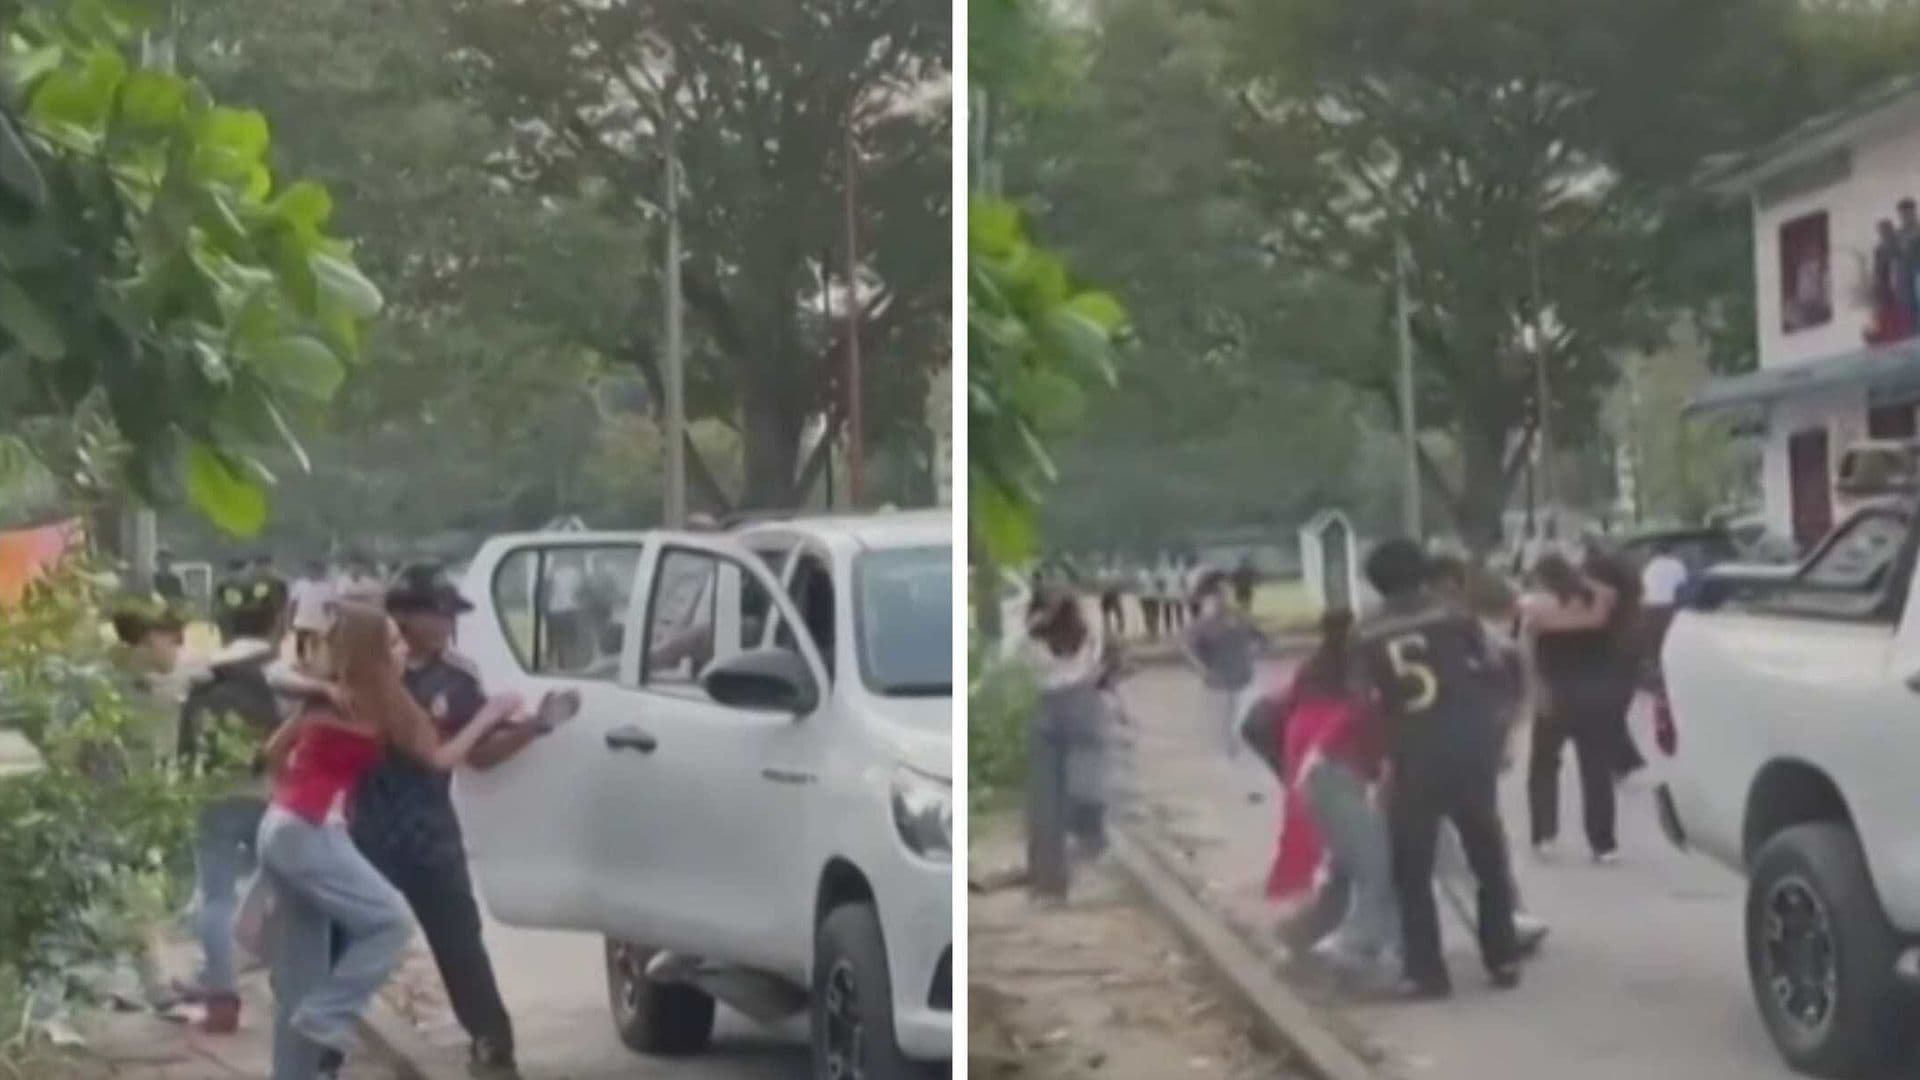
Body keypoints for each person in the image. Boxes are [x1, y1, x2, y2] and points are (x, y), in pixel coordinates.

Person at [256, 603, 525, 1080]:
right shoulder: (384, 699)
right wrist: (492, 714)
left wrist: (305, 788)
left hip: (282, 823)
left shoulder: (332, 693)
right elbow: (441, 758)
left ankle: (300, 1064)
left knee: (303, 973)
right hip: (314, 828)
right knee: (389, 925)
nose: (404, 650)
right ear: (376, 652)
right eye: (395, 642)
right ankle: (328, 1018)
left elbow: (273, 752)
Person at [344, 567, 553, 1077]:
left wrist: (532, 730)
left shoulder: (457, 680)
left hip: (429, 829)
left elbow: (478, 756)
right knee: (346, 936)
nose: (445, 625)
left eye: (449, 615)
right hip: (367, 824)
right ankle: (324, 1037)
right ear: (402, 617)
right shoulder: (363, 672)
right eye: (436, 613)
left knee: (458, 937)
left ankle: (490, 1040)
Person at [1354, 539, 1521, 999]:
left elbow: (1367, 704)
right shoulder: (1456, 617)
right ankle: (1502, 954)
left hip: (1413, 752)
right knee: (1487, 854)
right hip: (1468, 746)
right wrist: (1497, 729)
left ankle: (1427, 971)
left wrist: (1378, 765)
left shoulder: (1366, 633)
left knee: (1413, 869)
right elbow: (1495, 666)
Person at [175, 572, 332, 1034]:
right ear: (280, 620)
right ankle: (293, 985)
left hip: (215, 795)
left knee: (216, 896)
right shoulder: (283, 676)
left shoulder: (202, 673)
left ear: (221, 619)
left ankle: (221, 994)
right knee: (289, 893)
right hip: (276, 797)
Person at [1524, 553, 1623, 863]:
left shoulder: (1538, 612)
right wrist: (1582, 579)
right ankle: (1603, 843)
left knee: (1543, 766)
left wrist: (1535, 692)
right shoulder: (1599, 605)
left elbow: (1527, 657)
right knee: (1596, 771)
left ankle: (1544, 835)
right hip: (1595, 696)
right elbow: (1612, 594)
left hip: (1555, 695)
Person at [1022, 586, 1111, 902]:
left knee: (1046, 799)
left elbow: (1024, 662)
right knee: (1086, 788)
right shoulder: (1088, 632)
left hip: (1049, 706)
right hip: (1084, 705)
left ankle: (1050, 882)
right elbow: (1098, 663)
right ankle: (1090, 850)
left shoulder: (1032, 638)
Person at [1183, 572, 1267, 758]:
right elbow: (1190, 652)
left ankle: (1239, 753)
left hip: (1243, 678)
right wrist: (1202, 670)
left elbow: (1262, 638)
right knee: (1221, 725)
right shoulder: (1200, 626)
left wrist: (1257, 651)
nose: (1220, 598)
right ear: (1204, 599)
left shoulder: (1238, 618)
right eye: (1214, 595)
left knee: (1244, 721)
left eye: (1222, 593)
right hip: (1217, 683)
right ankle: (1226, 755)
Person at [290, 561, 337, 663]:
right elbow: (294, 601)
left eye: (316, 571)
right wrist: (291, 616)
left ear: (321, 572)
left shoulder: (327, 586)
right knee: (300, 639)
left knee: (315, 641)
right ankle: (301, 659)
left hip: (318, 619)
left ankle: (314, 658)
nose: (313, 573)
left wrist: (330, 620)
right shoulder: (300, 584)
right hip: (302, 617)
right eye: (310, 570)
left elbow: (330, 604)